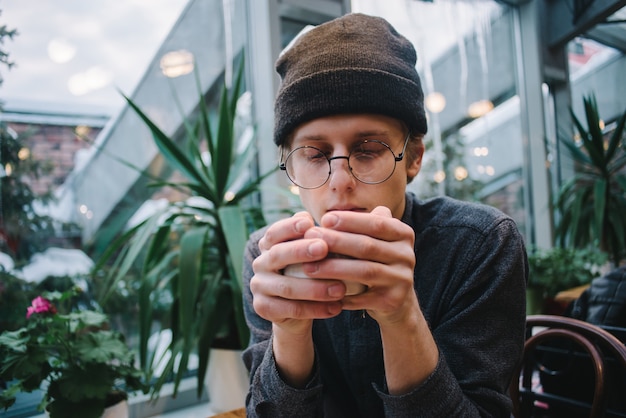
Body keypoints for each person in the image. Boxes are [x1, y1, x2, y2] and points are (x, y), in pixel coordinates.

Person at [242, 13, 527, 417]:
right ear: (290, 163)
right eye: (314, 154)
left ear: (413, 158)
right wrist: (287, 333)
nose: (339, 180)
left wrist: (402, 317)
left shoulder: (479, 243)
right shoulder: (269, 258)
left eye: (368, 148)